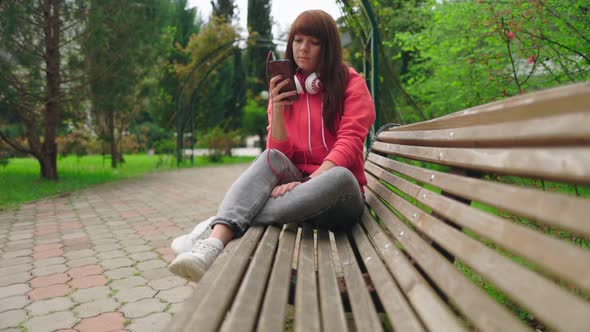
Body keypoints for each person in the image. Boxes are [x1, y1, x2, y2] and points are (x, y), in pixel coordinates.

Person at [168, 9, 376, 282]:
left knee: (339, 174)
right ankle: (211, 247)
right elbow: (279, 152)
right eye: (298, 40)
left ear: (328, 48)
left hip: (341, 197)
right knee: (272, 156)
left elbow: (349, 143)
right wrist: (277, 108)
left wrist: (309, 182)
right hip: (298, 198)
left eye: (314, 42)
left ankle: (214, 224)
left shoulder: (351, 83)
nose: (303, 49)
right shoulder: (286, 88)